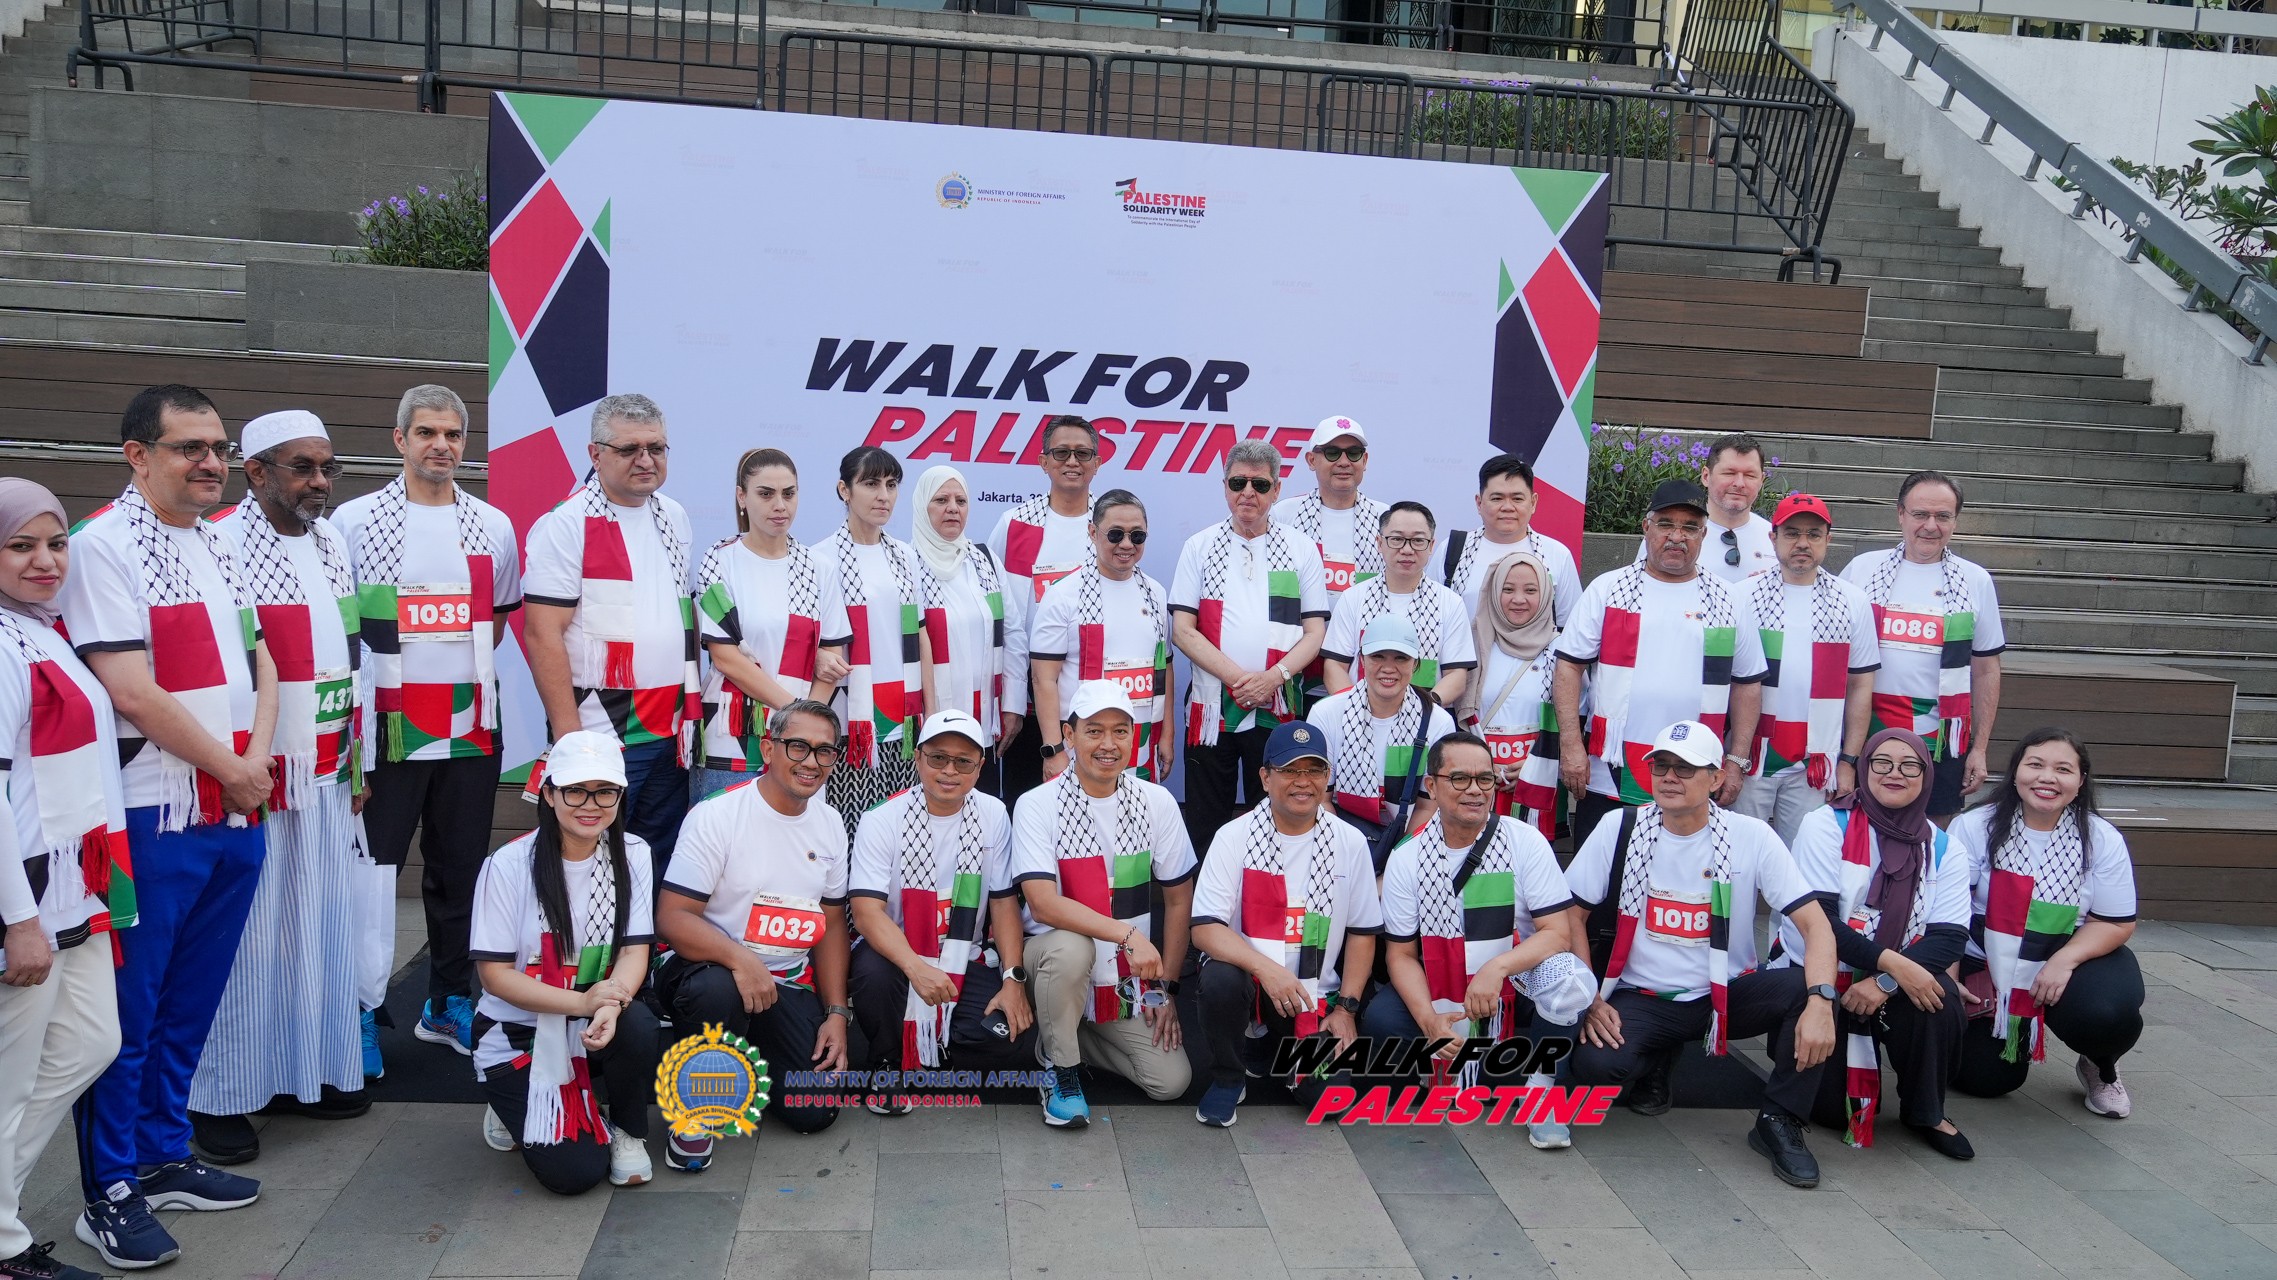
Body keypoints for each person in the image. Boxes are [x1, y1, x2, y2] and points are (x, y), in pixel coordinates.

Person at [63, 385, 275, 1271]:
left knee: (191, 1002)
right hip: (151, 812)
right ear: (137, 454)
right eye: (191, 447)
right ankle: (109, 1190)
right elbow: (131, 691)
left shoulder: (221, 539)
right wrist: (233, 769)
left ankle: (160, 1153)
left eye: (218, 447)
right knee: (131, 1013)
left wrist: (253, 766)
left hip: (235, 805)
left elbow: (263, 659)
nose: (212, 463)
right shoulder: (100, 546)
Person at [190, 412, 366, 1165]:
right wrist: (240, 767)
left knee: (317, 928)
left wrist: (358, 761)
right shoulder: (220, 543)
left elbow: (349, 656)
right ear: (255, 470)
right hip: (256, 778)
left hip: (326, 771)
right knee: (248, 941)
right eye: (302, 467)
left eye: (326, 467)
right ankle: (221, 1094)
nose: (319, 482)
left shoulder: (331, 542)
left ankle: (305, 1070)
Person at [334, 384, 524, 1070]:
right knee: (371, 874)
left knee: (460, 871)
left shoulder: (494, 525)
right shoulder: (353, 521)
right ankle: (357, 1011)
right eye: (426, 433)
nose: (441, 445)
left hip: (469, 726)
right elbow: (342, 631)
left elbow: (494, 624)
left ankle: (447, 1002)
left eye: (452, 434)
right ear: (399, 439)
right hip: (385, 729)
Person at [1564, 720, 1840, 1189]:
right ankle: (1657, 1058)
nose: (1670, 777)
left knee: (1805, 991)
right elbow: (1573, 914)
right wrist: (1590, 996)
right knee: (1596, 1065)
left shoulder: (1751, 835)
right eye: (1661, 766)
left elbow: (1816, 925)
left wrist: (1821, 1001)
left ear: (1716, 779)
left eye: (1686, 768)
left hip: (1728, 994)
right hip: (1644, 995)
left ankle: (1779, 1120)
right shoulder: (1621, 826)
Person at [0, 480, 128, 1280]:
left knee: (90, 1042)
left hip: (75, 886)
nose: (45, 561)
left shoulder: (44, 629)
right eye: (21, 546)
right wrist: (18, 921)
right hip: (26, 898)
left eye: (54, 544)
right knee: (10, 1081)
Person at [1368, 732, 1595, 1150]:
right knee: (1382, 1021)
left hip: (1515, 980)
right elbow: (1400, 955)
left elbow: (1557, 933)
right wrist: (1429, 1022)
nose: (1475, 789)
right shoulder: (1406, 857)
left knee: (1572, 980)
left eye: (1485, 779)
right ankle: (1456, 1056)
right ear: (1432, 785)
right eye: (1459, 778)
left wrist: (1497, 967)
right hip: (1444, 978)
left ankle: (1541, 1089)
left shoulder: (1524, 840)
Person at [655, 699, 852, 1168]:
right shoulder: (717, 815)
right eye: (798, 746)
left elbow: (831, 926)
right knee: (715, 991)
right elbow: (673, 917)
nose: (811, 761)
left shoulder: (830, 824)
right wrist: (742, 960)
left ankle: (744, 1051)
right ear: (768, 748)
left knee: (814, 1111)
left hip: (785, 982)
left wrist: (837, 1012)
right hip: (709, 970)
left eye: (824, 751)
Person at [467, 731, 658, 1194]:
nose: (591, 805)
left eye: (605, 791)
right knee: (574, 1175)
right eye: (575, 790)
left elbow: (634, 951)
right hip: (519, 1031)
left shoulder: (633, 853)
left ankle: (627, 1129)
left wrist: (610, 1003)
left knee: (638, 1023)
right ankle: (512, 1100)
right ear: (549, 793)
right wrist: (582, 1002)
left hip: (592, 1018)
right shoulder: (508, 864)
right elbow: (494, 976)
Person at [1008, 682, 1197, 1127]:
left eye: (1120, 731)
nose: (1108, 744)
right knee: (1072, 947)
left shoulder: (1156, 801)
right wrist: (1127, 934)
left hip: (1122, 980)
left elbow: (1178, 899)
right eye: (1094, 731)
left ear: (1134, 737)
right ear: (1069, 736)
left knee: (1171, 1082)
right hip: (1051, 961)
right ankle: (1062, 1070)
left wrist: (1165, 989)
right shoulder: (1037, 804)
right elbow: (1042, 905)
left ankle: (1059, 1033)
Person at [523, 393, 698, 874]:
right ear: (595, 454)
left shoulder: (674, 517)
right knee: (590, 860)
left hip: (672, 728)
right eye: (628, 449)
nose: (646, 460)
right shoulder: (565, 524)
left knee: (656, 857)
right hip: (600, 727)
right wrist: (569, 738)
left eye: (656, 448)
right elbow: (542, 634)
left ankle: (645, 929)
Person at [1781, 730, 1972, 1159]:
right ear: (1865, 768)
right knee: (1832, 1111)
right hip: (1823, 974)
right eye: (1882, 762)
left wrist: (1885, 981)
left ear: (1926, 775)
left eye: (1910, 765)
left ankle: (1926, 1111)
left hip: (1890, 979)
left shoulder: (1945, 848)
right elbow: (1821, 921)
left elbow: (1949, 938)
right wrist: (1895, 966)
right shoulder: (1826, 824)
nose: (1894, 773)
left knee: (1938, 1000)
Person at [1189, 720, 1380, 1127]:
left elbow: (1363, 933)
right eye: (1290, 770)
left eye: (1314, 770)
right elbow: (1205, 928)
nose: (1303, 781)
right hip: (1252, 987)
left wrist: (1347, 1009)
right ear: (1265, 777)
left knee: (1331, 1101)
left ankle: (1278, 1051)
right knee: (1220, 979)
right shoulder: (1234, 836)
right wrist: (1268, 970)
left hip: (1313, 996)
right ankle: (1229, 1075)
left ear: (1327, 777)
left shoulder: (1349, 841)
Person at [1554, 479, 1766, 842]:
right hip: (1611, 770)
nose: (1677, 536)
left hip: (1696, 770)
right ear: (1646, 527)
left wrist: (1736, 760)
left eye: (1690, 527)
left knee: (1682, 872)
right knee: (1605, 874)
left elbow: (1747, 684)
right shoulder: (1608, 589)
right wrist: (1571, 745)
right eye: (1666, 524)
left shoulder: (1729, 600)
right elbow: (1569, 667)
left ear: (1703, 535)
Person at [1947, 729, 2142, 1118]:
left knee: (2105, 1015)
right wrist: (1949, 978)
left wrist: (2064, 960)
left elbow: (2115, 923)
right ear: (2016, 771)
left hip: (2071, 956)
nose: (2047, 778)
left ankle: (2100, 1065)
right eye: (2035, 764)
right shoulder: (1973, 826)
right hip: (1986, 960)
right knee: (1985, 1078)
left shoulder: (2101, 838)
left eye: (2063, 769)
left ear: (2081, 780)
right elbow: (1947, 911)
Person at [847, 710, 1033, 1114]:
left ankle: (937, 1045)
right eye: (938, 758)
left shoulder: (993, 814)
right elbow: (866, 913)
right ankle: (887, 1061)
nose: (950, 771)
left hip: (963, 953)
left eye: (963, 761)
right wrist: (916, 968)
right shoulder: (881, 819)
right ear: (917, 758)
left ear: (980, 767)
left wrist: (1012, 979)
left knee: (1007, 1037)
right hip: (896, 954)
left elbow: (1003, 902)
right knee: (873, 974)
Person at [1170, 439, 1330, 855]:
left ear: (1276, 490)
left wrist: (1271, 680)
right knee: (1206, 824)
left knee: (1276, 822)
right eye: (1238, 482)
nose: (1248, 493)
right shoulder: (1199, 546)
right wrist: (1243, 681)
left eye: (1259, 484)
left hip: (1277, 705)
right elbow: (1183, 631)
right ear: (1224, 486)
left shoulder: (1301, 549)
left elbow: (1315, 633)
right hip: (1212, 709)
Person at [1841, 471, 2005, 819]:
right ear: (1900, 513)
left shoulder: (1975, 580)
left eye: (1943, 516)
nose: (1931, 526)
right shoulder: (1862, 570)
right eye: (1920, 514)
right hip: (1863, 731)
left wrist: (1979, 749)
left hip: (1941, 739)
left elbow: (1986, 670)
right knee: (1858, 831)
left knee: (1932, 836)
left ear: (1955, 521)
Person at [692, 448, 850, 795]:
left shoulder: (818, 568)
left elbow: (832, 659)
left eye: (788, 494)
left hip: (799, 744)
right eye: (766, 494)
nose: (780, 505)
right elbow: (726, 658)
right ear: (741, 497)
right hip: (732, 737)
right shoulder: (719, 561)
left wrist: (803, 727)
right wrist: (798, 716)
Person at [1735, 493, 1880, 845]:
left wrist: (1848, 761)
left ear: (1828, 540)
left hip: (1816, 762)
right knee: (1741, 857)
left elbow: (1860, 685)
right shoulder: (1741, 595)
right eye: (1792, 533)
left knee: (1803, 863)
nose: (1803, 543)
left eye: (1814, 534)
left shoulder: (1852, 601)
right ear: (1773, 538)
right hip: (1752, 756)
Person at [815, 447, 931, 837]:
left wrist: (931, 714)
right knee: (847, 837)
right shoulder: (820, 559)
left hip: (904, 726)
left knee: (901, 841)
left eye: (891, 485)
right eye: (871, 484)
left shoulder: (906, 557)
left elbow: (920, 636)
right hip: (848, 726)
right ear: (844, 490)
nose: (883, 495)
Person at [987, 415, 1102, 802]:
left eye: (1082, 453)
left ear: (1097, 462)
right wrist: (1010, 700)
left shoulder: (1110, 524)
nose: (1072, 461)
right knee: (1025, 805)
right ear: (1043, 461)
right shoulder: (1015, 524)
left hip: (1091, 700)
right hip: (1029, 701)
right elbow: (999, 614)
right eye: (1061, 452)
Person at [1030, 491, 1173, 782]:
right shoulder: (1062, 595)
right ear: (1093, 533)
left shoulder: (1155, 593)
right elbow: (1043, 679)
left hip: (1141, 740)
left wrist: (1167, 735)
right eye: (1115, 534)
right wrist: (1053, 749)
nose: (1126, 544)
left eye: (1137, 536)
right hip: (1080, 743)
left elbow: (1164, 669)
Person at [1306, 615, 1456, 868]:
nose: (1388, 668)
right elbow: (1321, 799)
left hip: (1411, 845)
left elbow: (1428, 807)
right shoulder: (1326, 713)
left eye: (1401, 658)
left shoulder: (1438, 722)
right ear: (1362, 659)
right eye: (1378, 656)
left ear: (1415, 664)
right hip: (1338, 843)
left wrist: (1400, 865)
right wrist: (1350, 861)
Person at [1452, 550, 1566, 841]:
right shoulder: (1472, 643)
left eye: (1531, 590)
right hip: (1475, 780)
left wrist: (1535, 765)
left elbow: (1573, 718)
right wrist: (1481, 765)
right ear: (1493, 592)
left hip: (1536, 782)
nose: (1518, 599)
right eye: (1507, 589)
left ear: (1547, 594)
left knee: (1526, 856)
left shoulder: (1562, 649)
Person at [1321, 501, 1476, 707]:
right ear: (1379, 542)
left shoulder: (1450, 603)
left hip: (1426, 718)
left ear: (1431, 545)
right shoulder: (1354, 597)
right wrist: (1356, 708)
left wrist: (1421, 711)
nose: (1407, 549)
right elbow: (1334, 666)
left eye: (1418, 541)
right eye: (1397, 539)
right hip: (1359, 715)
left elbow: (1456, 675)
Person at [911, 467, 1009, 773]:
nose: (953, 508)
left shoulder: (986, 562)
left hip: (985, 722)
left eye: (961, 501)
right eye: (941, 500)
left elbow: (1013, 633)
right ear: (922, 506)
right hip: (928, 725)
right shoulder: (905, 564)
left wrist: (1012, 706)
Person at [1435, 454, 1581, 628]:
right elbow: (1430, 613)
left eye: (1517, 499)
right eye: (1497, 498)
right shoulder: (1452, 550)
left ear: (1533, 503)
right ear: (1479, 503)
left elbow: (1570, 627)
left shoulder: (1557, 554)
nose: (1507, 507)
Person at [1632, 434, 1777, 582]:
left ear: (1761, 480)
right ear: (1706, 476)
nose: (1739, 483)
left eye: (1750, 475)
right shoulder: (1663, 536)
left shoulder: (1776, 539)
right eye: (1729, 473)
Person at [1272, 415, 1386, 601]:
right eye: (1332, 453)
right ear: (1311, 460)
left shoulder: (1385, 518)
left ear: (1364, 461)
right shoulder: (1283, 515)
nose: (1344, 462)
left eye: (1354, 453)